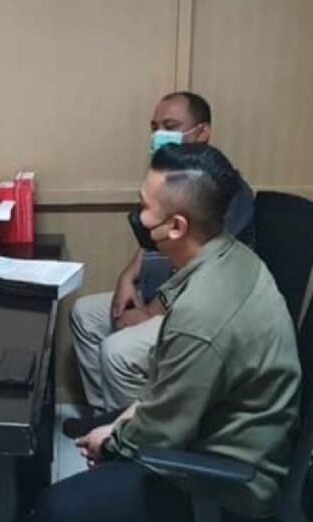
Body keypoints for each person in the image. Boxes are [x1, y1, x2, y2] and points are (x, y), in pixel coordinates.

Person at [30, 143, 300, 522]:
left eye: (144, 207)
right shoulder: (229, 256)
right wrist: (120, 423)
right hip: (211, 436)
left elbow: (159, 435)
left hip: (225, 487)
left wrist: (111, 443)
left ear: (176, 227)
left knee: (55, 507)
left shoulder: (203, 315)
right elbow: (169, 392)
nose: (137, 217)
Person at [68, 92, 255, 430]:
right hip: (169, 291)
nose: (158, 136)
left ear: (202, 132)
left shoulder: (219, 191)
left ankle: (133, 439)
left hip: (204, 308)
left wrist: (151, 312)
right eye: (154, 127)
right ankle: (104, 416)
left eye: (170, 127)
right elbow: (161, 239)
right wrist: (128, 276)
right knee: (85, 314)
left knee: (118, 351)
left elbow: (204, 270)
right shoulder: (173, 179)